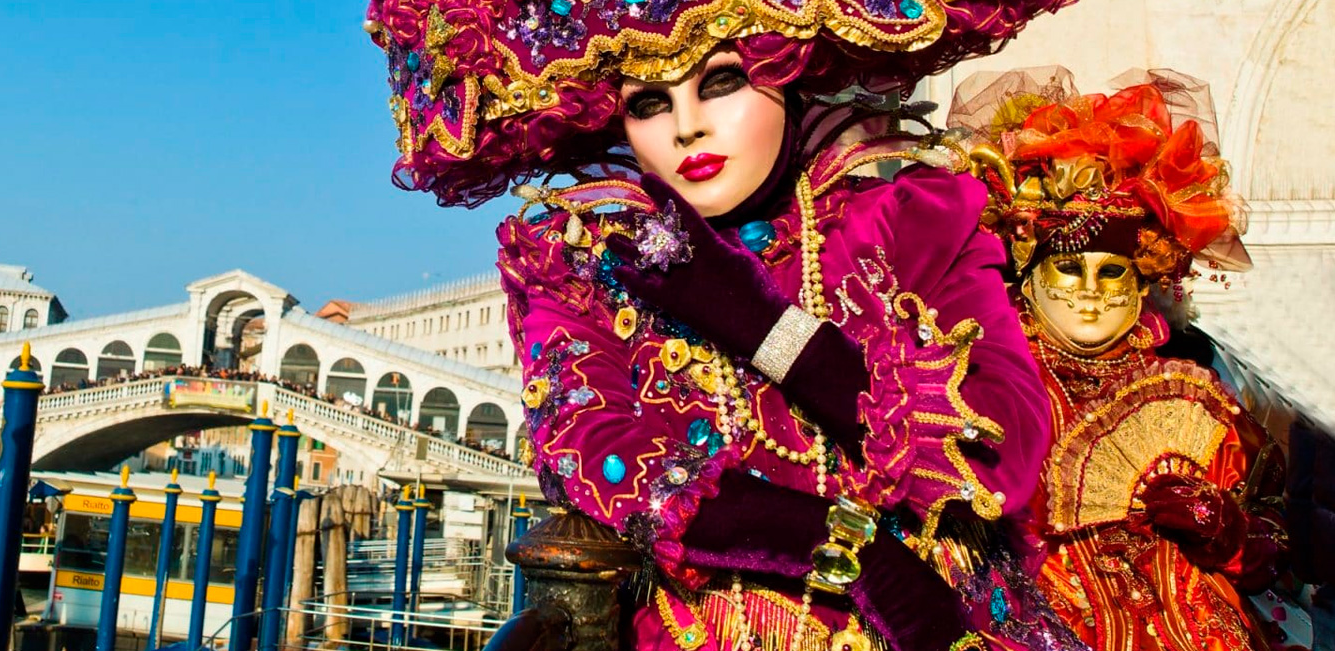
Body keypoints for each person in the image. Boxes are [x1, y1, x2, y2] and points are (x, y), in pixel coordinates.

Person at [364, 1, 1079, 649]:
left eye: (719, 82)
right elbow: (593, 451)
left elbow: (999, 457)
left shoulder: (911, 219)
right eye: (649, 101)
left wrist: (763, 326)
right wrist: (851, 549)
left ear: (788, 67)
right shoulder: (586, 258)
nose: (686, 126)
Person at [950, 67, 1286, 651]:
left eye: (1112, 272)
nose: (1090, 291)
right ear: (1026, 279)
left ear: (1142, 283)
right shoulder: (981, 381)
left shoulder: (1191, 387)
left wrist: (1223, 528)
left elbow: (1274, 549)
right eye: (1069, 269)